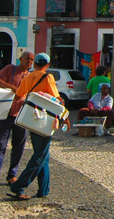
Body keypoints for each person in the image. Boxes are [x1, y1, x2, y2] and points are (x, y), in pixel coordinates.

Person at [9, 52, 70, 200]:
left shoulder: (27, 77)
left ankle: (44, 189)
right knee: (40, 155)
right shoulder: (48, 77)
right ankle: (19, 186)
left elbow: (18, 96)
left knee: (44, 155)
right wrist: (65, 116)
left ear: (35, 63)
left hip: (31, 119)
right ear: (47, 65)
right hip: (45, 120)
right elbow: (56, 99)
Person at [0, 51, 34, 192]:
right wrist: (13, 88)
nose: (29, 62)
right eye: (26, 59)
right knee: (0, 146)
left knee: (19, 147)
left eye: (31, 60)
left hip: (21, 116)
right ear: (20, 59)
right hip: (5, 114)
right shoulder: (10, 69)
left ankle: (12, 175)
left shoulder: (30, 77)